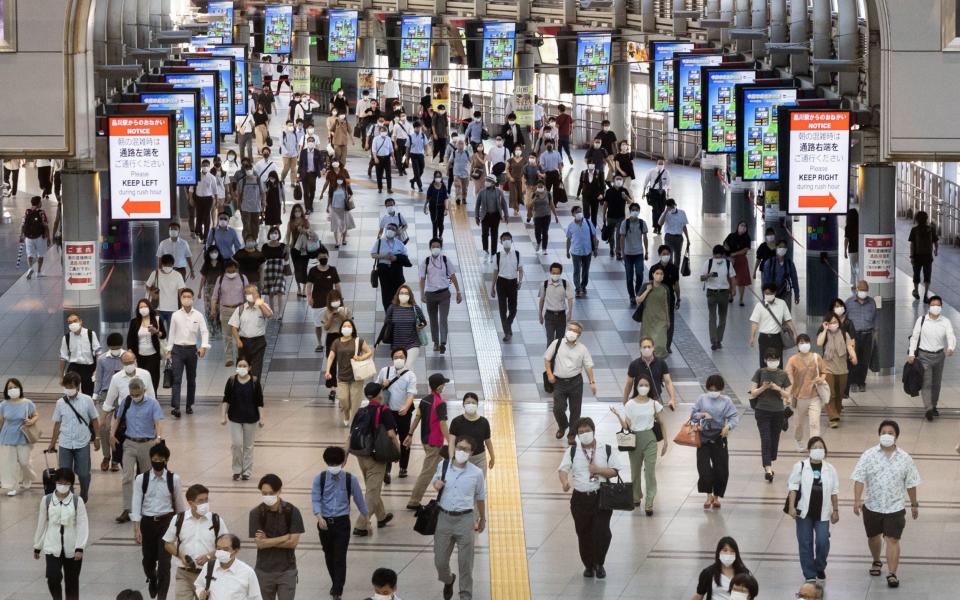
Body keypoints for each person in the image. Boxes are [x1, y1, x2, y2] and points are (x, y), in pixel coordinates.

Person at [851, 420, 921, 589]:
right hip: (872, 506)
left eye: (891, 432)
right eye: (884, 432)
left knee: (893, 540)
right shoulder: (868, 455)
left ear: (896, 436)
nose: (887, 435)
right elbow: (859, 478)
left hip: (895, 507)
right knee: (873, 537)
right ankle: (876, 560)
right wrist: (857, 500)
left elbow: (911, 483)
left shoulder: (905, 458)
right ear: (879, 434)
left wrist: (914, 504)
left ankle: (892, 573)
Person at [557, 417, 621, 579]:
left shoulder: (605, 449)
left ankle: (600, 563)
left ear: (593, 431)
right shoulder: (573, 451)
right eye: (580, 432)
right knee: (583, 532)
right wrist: (565, 482)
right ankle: (588, 565)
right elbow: (563, 470)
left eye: (587, 431)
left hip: (601, 496)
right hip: (580, 498)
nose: (584, 434)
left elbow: (615, 470)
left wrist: (599, 470)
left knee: (602, 532)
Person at [432, 436, 487, 600]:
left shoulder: (476, 473)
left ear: (471, 453)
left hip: (465, 520)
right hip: (444, 517)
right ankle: (448, 580)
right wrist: (436, 485)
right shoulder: (444, 465)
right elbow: (435, 481)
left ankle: (465, 595)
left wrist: (482, 518)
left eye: (466, 449)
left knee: (465, 564)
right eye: (459, 447)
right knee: (440, 561)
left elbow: (480, 497)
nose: (461, 451)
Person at [312, 447, 368, 600]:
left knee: (339, 556)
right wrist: (318, 516)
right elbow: (316, 498)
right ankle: (335, 582)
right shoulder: (320, 478)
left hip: (342, 522)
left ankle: (337, 588)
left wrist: (366, 518)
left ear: (343, 462)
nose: (334, 466)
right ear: (326, 462)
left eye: (336, 463)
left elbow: (359, 499)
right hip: (324, 523)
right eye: (331, 463)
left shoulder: (351, 479)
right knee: (329, 555)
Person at [132, 443, 185, 600]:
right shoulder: (142, 479)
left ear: (166, 460)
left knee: (164, 564)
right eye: (154, 459)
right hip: (147, 523)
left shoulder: (173, 479)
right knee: (148, 561)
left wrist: (181, 529)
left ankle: (162, 596)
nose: (157, 462)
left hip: (166, 522)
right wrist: (136, 528)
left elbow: (180, 505)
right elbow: (136, 503)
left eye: (160, 459)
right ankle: (152, 577)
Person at [610, 375, 668, 515]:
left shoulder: (654, 404)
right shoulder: (630, 404)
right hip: (634, 440)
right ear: (636, 387)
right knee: (635, 471)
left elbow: (662, 423)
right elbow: (627, 426)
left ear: (650, 387)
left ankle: (649, 502)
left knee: (649, 471)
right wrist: (618, 416)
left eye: (646, 385)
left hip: (650, 438)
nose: (643, 387)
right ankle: (636, 496)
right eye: (641, 385)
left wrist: (666, 441)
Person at [786, 436, 840, 583]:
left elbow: (834, 491)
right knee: (805, 542)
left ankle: (820, 566)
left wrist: (835, 510)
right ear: (809, 450)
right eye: (815, 447)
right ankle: (809, 574)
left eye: (821, 447)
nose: (818, 450)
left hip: (823, 512)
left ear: (825, 451)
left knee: (823, 542)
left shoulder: (830, 469)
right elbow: (793, 488)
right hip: (804, 512)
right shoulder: (801, 466)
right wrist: (791, 507)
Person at [348, 383, 399, 537]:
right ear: (380, 394)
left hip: (360, 454)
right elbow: (391, 434)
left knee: (372, 488)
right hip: (376, 457)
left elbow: (351, 435)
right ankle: (361, 525)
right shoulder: (384, 411)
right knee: (372, 491)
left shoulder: (361, 411)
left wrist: (345, 455)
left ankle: (381, 517)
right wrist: (398, 451)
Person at [163, 484, 229, 600]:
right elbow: (168, 543)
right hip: (184, 574)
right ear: (190, 502)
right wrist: (181, 556)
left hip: (209, 574)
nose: (204, 504)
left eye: (206, 500)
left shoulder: (216, 520)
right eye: (200, 501)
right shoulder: (179, 519)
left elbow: (227, 546)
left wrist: (209, 556)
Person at [112, 378, 164, 524]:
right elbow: (118, 418)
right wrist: (112, 434)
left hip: (146, 444)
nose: (135, 397)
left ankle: (146, 507)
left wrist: (158, 437)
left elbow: (158, 422)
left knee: (146, 477)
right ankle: (127, 509)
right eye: (133, 394)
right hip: (129, 443)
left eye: (138, 394)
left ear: (144, 391)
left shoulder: (153, 403)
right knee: (127, 476)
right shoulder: (127, 401)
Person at [33, 467, 88, 600]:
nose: (63, 486)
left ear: (71, 484)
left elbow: (82, 525)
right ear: (55, 482)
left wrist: (80, 547)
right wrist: (37, 546)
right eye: (60, 482)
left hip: (72, 547)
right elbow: (41, 524)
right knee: (52, 577)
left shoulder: (77, 501)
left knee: (72, 582)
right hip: (52, 546)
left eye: (66, 483)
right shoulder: (46, 500)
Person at [249, 474, 305, 600]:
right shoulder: (256, 513)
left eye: (271, 493)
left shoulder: (292, 511)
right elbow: (260, 544)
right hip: (263, 571)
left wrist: (267, 540)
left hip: (287, 571)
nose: (267, 496)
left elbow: (293, 543)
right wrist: (285, 537)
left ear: (279, 490)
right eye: (264, 493)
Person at [47, 372, 99, 502]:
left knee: (83, 473)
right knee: (65, 473)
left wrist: (97, 438)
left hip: (82, 442)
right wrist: (52, 443)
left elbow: (95, 419)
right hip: (65, 443)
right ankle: (69, 498)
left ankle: (84, 492)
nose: (68, 389)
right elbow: (57, 423)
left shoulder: (87, 400)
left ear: (78, 386)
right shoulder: (60, 403)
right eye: (66, 386)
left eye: (71, 386)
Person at [690, 374, 739, 509]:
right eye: (711, 388)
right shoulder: (701, 399)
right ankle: (708, 495)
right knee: (704, 468)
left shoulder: (726, 401)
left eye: (716, 389)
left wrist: (728, 426)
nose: (713, 391)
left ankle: (716, 497)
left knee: (721, 469)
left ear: (721, 388)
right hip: (704, 438)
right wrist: (702, 415)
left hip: (719, 437)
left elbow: (734, 417)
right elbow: (693, 415)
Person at [544, 322, 597, 444]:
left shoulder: (582, 349)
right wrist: (549, 374)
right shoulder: (556, 343)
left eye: (575, 330)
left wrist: (592, 382)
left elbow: (588, 366)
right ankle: (563, 426)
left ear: (579, 334)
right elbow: (547, 359)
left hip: (576, 382)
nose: (571, 332)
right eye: (570, 329)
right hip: (559, 382)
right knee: (558, 408)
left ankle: (571, 435)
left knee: (575, 410)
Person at [404, 373, 451, 509]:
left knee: (439, 468)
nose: (444, 386)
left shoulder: (424, 400)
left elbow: (417, 418)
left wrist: (410, 434)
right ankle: (414, 501)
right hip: (434, 442)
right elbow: (443, 424)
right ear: (438, 387)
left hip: (425, 440)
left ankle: (444, 494)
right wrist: (450, 440)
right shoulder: (440, 403)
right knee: (427, 472)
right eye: (443, 384)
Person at [101, 351, 156, 466]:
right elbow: (109, 401)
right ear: (122, 363)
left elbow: (152, 397)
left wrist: (154, 422)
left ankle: (140, 475)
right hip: (124, 417)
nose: (129, 365)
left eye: (131, 362)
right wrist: (102, 421)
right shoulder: (116, 378)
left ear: (135, 361)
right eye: (126, 363)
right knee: (123, 453)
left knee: (143, 452)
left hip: (143, 415)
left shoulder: (145, 374)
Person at [908, 295, 956, 421]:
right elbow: (915, 336)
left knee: (936, 384)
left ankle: (933, 406)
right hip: (924, 356)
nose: (935, 307)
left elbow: (950, 335)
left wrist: (951, 347)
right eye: (933, 305)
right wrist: (912, 353)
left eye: (938, 305)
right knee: (927, 383)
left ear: (942, 306)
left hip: (939, 356)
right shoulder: (922, 320)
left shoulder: (945, 321)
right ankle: (928, 408)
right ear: (929, 306)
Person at [166, 289, 210, 418]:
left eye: (189, 296)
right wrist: (169, 350)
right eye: (184, 296)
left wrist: (203, 347)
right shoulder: (175, 315)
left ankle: (189, 405)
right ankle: (176, 407)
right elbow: (172, 333)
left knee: (191, 379)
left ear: (192, 298)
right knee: (177, 379)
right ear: (180, 298)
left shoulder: (198, 315)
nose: (186, 298)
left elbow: (205, 332)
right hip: (177, 350)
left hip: (192, 350)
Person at [749, 349, 791, 482]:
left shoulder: (783, 374)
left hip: (778, 412)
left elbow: (788, 394)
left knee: (774, 439)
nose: (773, 361)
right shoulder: (760, 372)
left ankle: (769, 461)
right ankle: (768, 468)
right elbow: (753, 393)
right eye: (770, 359)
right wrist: (764, 387)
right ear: (765, 360)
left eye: (775, 359)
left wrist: (778, 388)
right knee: (766, 439)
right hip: (762, 411)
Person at [221, 360, 265, 481]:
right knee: (236, 444)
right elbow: (226, 399)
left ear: (250, 367)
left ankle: (246, 471)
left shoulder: (255, 382)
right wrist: (223, 416)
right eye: (239, 366)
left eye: (244, 366)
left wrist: (262, 418)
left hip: (251, 418)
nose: (242, 368)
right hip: (234, 417)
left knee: (248, 446)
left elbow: (259, 402)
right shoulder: (231, 381)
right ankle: (236, 470)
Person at [376, 350, 418, 480]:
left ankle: (403, 467)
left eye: (401, 357)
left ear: (405, 359)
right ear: (392, 358)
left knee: (405, 440)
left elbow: (411, 393)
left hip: (403, 413)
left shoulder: (410, 375)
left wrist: (406, 407)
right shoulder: (385, 371)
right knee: (388, 441)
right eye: (396, 357)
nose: (399, 359)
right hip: (387, 412)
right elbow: (375, 389)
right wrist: (383, 385)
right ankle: (387, 470)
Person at [325, 318, 373, 427]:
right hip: (342, 377)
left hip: (357, 376)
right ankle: (346, 413)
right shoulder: (336, 342)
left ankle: (354, 422)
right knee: (343, 400)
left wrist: (360, 358)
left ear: (353, 328)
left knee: (355, 402)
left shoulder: (358, 340)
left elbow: (369, 352)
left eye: (349, 326)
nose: (346, 328)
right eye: (344, 326)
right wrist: (327, 371)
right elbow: (331, 356)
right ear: (341, 329)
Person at [420, 239, 462, 353]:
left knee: (443, 319)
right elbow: (422, 278)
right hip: (430, 295)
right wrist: (422, 294)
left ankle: (443, 342)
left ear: (441, 247)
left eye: (438, 246)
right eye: (433, 246)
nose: (435, 248)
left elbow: (452, 275)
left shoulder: (445, 259)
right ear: (430, 248)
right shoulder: (426, 261)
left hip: (444, 294)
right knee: (433, 320)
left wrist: (458, 292)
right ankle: (436, 342)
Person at [785, 335, 827, 449]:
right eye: (801, 342)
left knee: (814, 422)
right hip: (799, 398)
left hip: (814, 396)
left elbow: (824, 371)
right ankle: (798, 440)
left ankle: (814, 445)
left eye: (806, 342)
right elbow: (788, 379)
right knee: (799, 423)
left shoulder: (816, 357)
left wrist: (821, 379)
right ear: (798, 345)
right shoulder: (793, 360)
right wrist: (787, 396)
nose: (804, 344)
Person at [817, 312, 857, 428]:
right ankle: (832, 417)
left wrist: (853, 356)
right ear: (826, 323)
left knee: (840, 394)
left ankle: (836, 413)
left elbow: (850, 346)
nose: (833, 324)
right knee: (830, 394)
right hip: (828, 368)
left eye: (835, 322)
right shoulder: (824, 334)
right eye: (830, 322)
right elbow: (819, 343)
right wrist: (824, 330)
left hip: (842, 369)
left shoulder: (844, 334)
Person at [0, 378, 38, 496]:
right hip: (7, 436)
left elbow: (36, 415)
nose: (13, 390)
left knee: (24, 462)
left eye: (15, 387)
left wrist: (32, 421)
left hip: (23, 436)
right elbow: (1, 421)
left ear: (20, 388)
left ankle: (27, 476)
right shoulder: (3, 405)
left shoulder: (27, 403)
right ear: (6, 390)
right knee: (9, 463)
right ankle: (12, 486)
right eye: (10, 388)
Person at [194, 534, 261, 600]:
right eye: (218, 548)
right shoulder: (209, 566)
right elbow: (199, 584)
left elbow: (256, 597)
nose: (221, 552)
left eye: (226, 549)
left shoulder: (247, 572)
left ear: (236, 551)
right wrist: (201, 593)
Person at [748, 282, 798, 368]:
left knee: (778, 362)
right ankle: (765, 380)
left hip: (777, 338)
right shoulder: (759, 306)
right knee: (764, 362)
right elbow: (754, 322)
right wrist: (752, 337)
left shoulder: (782, 304)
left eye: (770, 293)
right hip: (764, 338)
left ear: (775, 293)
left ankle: (777, 380)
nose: (768, 295)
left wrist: (795, 334)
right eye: (766, 293)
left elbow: (788, 320)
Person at [229, 286, 273, 380]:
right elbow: (233, 327)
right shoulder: (240, 309)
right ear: (245, 295)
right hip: (243, 342)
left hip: (259, 342)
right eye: (249, 293)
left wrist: (259, 302)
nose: (251, 295)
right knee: (243, 368)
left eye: (253, 293)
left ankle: (255, 390)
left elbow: (269, 315)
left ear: (258, 294)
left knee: (256, 370)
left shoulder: (263, 306)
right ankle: (243, 388)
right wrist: (237, 340)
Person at [376, 284, 424, 366]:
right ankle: (411, 379)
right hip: (397, 345)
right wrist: (377, 343)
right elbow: (385, 326)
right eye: (401, 293)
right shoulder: (392, 308)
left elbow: (423, 322)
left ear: (410, 295)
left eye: (406, 293)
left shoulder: (415, 308)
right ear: (398, 295)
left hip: (413, 343)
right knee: (401, 368)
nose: (403, 295)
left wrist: (420, 325)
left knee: (407, 366)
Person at [625, 337, 679, 410]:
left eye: (649, 347)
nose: (647, 349)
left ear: (653, 347)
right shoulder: (634, 365)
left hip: (656, 399)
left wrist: (672, 399)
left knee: (659, 420)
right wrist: (625, 399)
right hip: (638, 400)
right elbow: (629, 383)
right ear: (640, 349)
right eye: (644, 347)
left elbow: (668, 382)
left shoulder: (661, 363)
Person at [448, 394, 494, 476]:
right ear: (463, 404)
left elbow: (488, 441)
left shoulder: (484, 422)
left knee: (478, 485)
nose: (471, 405)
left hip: (480, 459)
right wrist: (451, 458)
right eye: (468, 402)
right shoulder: (456, 421)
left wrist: (492, 457)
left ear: (477, 405)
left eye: (473, 403)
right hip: (461, 457)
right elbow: (451, 442)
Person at [845, 280, 877, 393]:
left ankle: (861, 382)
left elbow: (874, 318)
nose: (863, 292)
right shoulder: (849, 303)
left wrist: (874, 333)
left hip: (868, 335)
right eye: (861, 290)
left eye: (865, 290)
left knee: (865, 360)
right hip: (854, 336)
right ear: (857, 290)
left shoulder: (872, 302)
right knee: (854, 359)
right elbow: (844, 320)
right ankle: (853, 381)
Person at [490, 232, 523, 341]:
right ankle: (507, 332)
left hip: (513, 282)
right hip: (501, 283)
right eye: (504, 239)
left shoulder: (517, 254)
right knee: (502, 309)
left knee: (513, 309)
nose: (506, 241)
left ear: (512, 240)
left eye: (508, 238)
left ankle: (507, 325)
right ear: (501, 242)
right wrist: (492, 287)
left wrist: (520, 281)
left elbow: (521, 270)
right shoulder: (497, 255)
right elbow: (495, 272)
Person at [58, 314, 101, 396]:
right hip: (74, 366)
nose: (73, 324)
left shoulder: (90, 334)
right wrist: (61, 376)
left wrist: (96, 370)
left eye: (75, 321)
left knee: (88, 394)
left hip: (88, 367)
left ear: (80, 321)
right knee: (71, 392)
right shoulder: (66, 338)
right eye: (70, 322)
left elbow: (98, 353)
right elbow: (63, 358)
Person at [371, 223, 410, 310]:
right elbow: (373, 254)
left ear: (396, 232)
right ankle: (389, 314)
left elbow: (405, 257)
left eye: (392, 229)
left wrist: (396, 258)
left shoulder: (400, 243)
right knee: (386, 295)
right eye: (388, 228)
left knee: (398, 293)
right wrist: (384, 256)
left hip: (396, 272)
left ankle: (397, 312)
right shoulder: (380, 241)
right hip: (384, 271)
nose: (390, 230)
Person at [637, 265, 672, 358]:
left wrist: (668, 320)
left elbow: (666, 305)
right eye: (657, 273)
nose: (659, 276)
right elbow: (638, 300)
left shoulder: (665, 289)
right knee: (647, 345)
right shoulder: (646, 286)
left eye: (661, 274)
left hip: (661, 321)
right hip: (648, 320)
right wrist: (647, 290)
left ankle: (658, 364)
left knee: (660, 344)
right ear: (652, 274)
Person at [147, 255, 187, 331]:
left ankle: (160, 343)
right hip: (173, 308)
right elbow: (181, 293)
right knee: (172, 334)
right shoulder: (178, 275)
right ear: (173, 263)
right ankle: (169, 343)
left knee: (158, 332)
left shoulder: (155, 273)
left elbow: (147, 286)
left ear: (161, 263)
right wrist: (183, 308)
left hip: (157, 308)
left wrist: (151, 293)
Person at [566, 206, 598, 298]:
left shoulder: (588, 222)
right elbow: (568, 239)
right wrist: (567, 251)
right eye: (577, 212)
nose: (579, 213)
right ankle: (577, 288)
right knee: (577, 270)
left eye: (580, 211)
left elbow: (594, 236)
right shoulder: (571, 226)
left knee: (585, 270)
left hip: (587, 251)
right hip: (575, 252)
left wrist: (595, 249)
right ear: (572, 214)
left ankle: (583, 286)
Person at [538, 263, 575, 342]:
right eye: (553, 273)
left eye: (557, 273)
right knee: (550, 340)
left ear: (560, 273)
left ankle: (557, 354)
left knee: (560, 341)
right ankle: (550, 354)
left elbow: (570, 299)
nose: (555, 275)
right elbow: (542, 300)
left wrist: (570, 312)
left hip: (561, 316)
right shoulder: (544, 284)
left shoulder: (565, 284)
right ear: (550, 272)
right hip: (549, 316)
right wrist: (540, 315)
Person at [620, 203, 649, 305]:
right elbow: (622, 238)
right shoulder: (625, 223)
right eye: (633, 209)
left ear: (639, 211)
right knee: (629, 276)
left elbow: (645, 237)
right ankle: (632, 296)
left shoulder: (642, 223)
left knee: (640, 274)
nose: (634, 211)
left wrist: (647, 251)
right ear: (630, 211)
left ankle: (638, 293)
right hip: (628, 254)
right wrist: (622, 252)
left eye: (636, 210)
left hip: (639, 253)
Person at [475, 174, 509, 259]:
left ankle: (494, 252)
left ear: (494, 183)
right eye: (487, 180)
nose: (487, 182)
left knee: (494, 234)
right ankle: (485, 249)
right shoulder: (482, 192)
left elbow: (504, 204)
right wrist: (476, 216)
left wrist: (506, 215)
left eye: (489, 181)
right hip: (485, 216)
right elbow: (477, 205)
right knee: (484, 234)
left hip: (495, 216)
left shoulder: (499, 192)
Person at [908, 209, 938, 302]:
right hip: (928, 256)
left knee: (916, 274)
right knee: (927, 275)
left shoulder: (914, 230)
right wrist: (936, 251)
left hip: (917, 256)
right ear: (926, 219)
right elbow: (936, 242)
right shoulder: (931, 229)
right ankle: (925, 295)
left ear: (917, 219)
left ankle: (916, 291)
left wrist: (912, 256)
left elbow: (912, 245)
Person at [722, 221, 752, 306]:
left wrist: (735, 253)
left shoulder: (747, 238)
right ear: (737, 226)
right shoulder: (731, 236)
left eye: (744, 226)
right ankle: (730, 295)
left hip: (741, 259)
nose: (743, 227)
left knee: (741, 280)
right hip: (730, 259)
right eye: (741, 225)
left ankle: (741, 299)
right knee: (730, 278)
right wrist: (727, 250)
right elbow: (725, 244)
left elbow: (745, 249)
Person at [21, 195, 51, 279]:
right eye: (40, 202)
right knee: (40, 254)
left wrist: (22, 235)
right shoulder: (41, 212)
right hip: (40, 236)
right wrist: (48, 237)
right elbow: (45, 225)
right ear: (38, 203)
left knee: (29, 254)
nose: (41, 203)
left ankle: (30, 268)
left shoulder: (27, 211)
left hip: (28, 237)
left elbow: (23, 224)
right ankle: (38, 272)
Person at [761, 240, 800, 305]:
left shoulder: (789, 264)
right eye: (780, 247)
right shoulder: (769, 263)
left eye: (784, 247)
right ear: (776, 248)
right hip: (772, 292)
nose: (782, 249)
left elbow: (794, 279)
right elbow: (765, 281)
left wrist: (797, 295)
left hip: (786, 293)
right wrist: (765, 297)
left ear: (786, 249)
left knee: (785, 313)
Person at [600, 175, 630, 259]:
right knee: (611, 235)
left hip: (621, 217)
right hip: (610, 217)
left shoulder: (624, 190)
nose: (619, 180)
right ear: (613, 180)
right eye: (617, 179)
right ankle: (611, 249)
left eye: (620, 179)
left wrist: (626, 197)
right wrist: (603, 215)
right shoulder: (609, 191)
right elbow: (605, 204)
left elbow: (631, 202)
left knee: (619, 235)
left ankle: (618, 252)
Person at [199, 246, 225, 338]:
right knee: (208, 310)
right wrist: (199, 291)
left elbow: (224, 277)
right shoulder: (206, 264)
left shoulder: (222, 264)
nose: (214, 253)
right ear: (209, 254)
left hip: (219, 289)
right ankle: (211, 330)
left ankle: (219, 328)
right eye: (212, 252)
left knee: (218, 310)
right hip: (208, 289)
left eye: (215, 251)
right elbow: (203, 278)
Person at [297, 136, 326, 214]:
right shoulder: (303, 152)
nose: (310, 142)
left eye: (312, 141)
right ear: (307, 142)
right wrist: (298, 173)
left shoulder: (317, 152)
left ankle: (310, 205)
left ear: (314, 142)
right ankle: (308, 208)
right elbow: (300, 163)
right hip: (304, 174)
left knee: (312, 191)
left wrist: (323, 168)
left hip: (313, 174)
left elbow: (321, 161)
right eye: (309, 141)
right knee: (306, 192)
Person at [643, 159, 671, 234]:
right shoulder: (651, 171)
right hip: (653, 192)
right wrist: (643, 191)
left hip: (662, 193)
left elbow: (668, 184)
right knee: (655, 210)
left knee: (662, 211)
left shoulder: (666, 172)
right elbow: (646, 181)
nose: (660, 165)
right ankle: (655, 227)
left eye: (662, 164)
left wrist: (666, 192)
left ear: (664, 164)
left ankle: (659, 228)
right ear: (657, 163)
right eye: (659, 163)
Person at [659, 198, 690, 265]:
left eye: (672, 206)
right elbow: (660, 223)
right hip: (669, 237)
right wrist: (666, 211)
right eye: (669, 207)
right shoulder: (666, 213)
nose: (672, 208)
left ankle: (675, 271)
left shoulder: (682, 213)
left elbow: (684, 226)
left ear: (675, 205)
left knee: (678, 256)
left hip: (679, 237)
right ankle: (670, 271)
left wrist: (688, 238)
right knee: (669, 255)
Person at [371, 126, 395, 194]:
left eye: (384, 131)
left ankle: (389, 188)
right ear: (379, 132)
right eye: (382, 131)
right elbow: (374, 150)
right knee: (379, 174)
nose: (383, 133)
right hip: (379, 158)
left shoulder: (388, 139)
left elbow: (391, 149)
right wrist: (375, 158)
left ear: (386, 132)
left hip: (387, 158)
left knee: (388, 174)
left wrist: (393, 157)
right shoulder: (375, 139)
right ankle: (380, 188)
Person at [448, 138, 472, 205]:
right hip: (457, 174)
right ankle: (458, 198)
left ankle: (464, 198)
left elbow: (472, 162)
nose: (460, 145)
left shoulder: (467, 153)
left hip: (466, 174)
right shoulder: (454, 153)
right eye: (459, 144)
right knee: (458, 186)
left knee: (465, 188)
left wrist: (472, 171)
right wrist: (447, 171)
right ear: (456, 145)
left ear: (464, 145)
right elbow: (450, 162)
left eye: (462, 144)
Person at [505, 147, 526, 217]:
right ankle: (515, 209)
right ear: (514, 151)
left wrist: (524, 182)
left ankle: (517, 207)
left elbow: (525, 171)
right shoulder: (510, 160)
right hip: (512, 180)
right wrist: (510, 177)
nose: (518, 151)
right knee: (514, 194)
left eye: (519, 150)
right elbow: (506, 169)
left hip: (520, 180)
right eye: (516, 149)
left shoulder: (524, 160)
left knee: (519, 195)